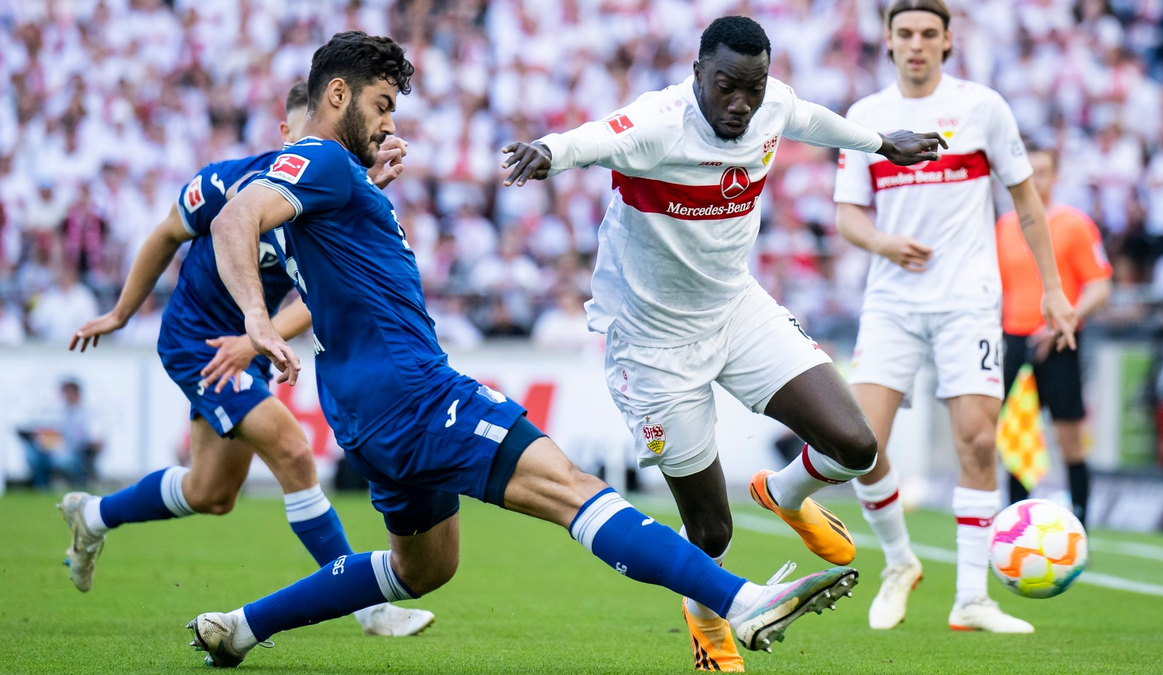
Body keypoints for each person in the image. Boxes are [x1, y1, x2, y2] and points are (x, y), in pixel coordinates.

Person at [192, 31, 857, 670]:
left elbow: (331, 250)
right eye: (381, 104)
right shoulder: (323, 160)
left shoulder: (335, 179)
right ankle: (743, 602)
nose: (389, 123)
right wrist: (257, 318)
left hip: (359, 406)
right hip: (413, 393)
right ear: (338, 94)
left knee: (423, 567)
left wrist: (366, 190)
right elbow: (233, 217)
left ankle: (240, 627)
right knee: (572, 489)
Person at [501, 16, 942, 671]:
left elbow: (810, 119)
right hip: (653, 346)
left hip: (736, 310)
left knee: (856, 446)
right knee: (711, 531)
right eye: (726, 86)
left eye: (753, 88)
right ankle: (707, 621)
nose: (740, 103)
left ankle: (783, 493)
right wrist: (548, 150)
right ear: (698, 74)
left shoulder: (770, 105)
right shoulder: (659, 123)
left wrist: (883, 144)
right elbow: (595, 138)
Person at [57, 81, 432, 637]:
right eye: (308, 135)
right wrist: (120, 312)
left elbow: (321, 297)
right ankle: (367, 606)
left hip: (249, 347)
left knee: (211, 492)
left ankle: (92, 515)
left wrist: (256, 339)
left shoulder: (333, 192)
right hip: (200, 342)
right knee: (294, 452)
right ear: (286, 132)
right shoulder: (227, 182)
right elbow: (165, 235)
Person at [833, 0, 1077, 634]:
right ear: (888, 41)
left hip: (967, 300)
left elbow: (1026, 204)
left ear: (947, 41)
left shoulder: (983, 107)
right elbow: (848, 215)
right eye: (905, 33)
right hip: (891, 302)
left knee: (978, 440)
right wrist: (884, 243)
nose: (916, 43)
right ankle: (899, 561)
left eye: (928, 33)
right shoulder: (865, 117)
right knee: (858, 444)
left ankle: (971, 597)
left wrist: (1052, 289)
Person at [997, 145, 1112, 526]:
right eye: (1028, 171)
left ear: (1056, 176)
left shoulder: (1074, 224)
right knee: (1017, 440)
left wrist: (1067, 318)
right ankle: (1015, 526)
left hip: (1062, 340)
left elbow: (1100, 285)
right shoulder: (1005, 226)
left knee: (1070, 440)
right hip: (1015, 341)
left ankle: (1080, 524)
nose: (1035, 179)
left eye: (1043, 171)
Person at [22, 378, 101, 488]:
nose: (64, 396)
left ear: (76, 393)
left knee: (63, 460)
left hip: (76, 452)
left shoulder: (88, 412)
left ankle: (73, 485)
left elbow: (95, 439)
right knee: (33, 456)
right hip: (55, 450)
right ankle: (42, 489)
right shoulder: (63, 411)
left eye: (67, 393)